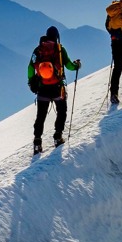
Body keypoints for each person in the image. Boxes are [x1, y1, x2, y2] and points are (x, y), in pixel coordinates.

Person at [28, 26, 81, 154]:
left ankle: (37, 142)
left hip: (42, 89)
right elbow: (69, 65)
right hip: (57, 88)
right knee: (62, 111)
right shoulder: (60, 49)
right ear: (57, 37)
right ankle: (58, 137)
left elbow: (30, 67)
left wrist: (31, 82)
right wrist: (77, 65)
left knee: (40, 116)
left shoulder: (38, 50)